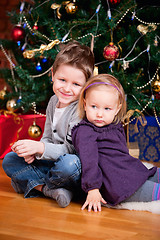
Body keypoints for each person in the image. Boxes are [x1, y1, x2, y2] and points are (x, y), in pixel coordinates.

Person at [2, 41, 95, 208]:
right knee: (9, 159)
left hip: (71, 167)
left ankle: (32, 184)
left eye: (76, 84)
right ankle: (49, 189)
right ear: (52, 75)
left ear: (86, 86)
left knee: (70, 164)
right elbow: (47, 137)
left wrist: (40, 149)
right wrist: (35, 153)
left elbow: (71, 149)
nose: (67, 88)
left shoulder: (80, 109)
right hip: (51, 164)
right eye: (62, 80)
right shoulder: (53, 101)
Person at [72, 74, 160, 212]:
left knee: (156, 174)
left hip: (129, 171)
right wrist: (93, 188)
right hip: (116, 184)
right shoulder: (85, 131)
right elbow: (89, 161)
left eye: (107, 109)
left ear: (117, 109)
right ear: (84, 104)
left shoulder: (114, 125)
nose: (99, 114)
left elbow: (122, 155)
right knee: (156, 191)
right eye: (94, 106)